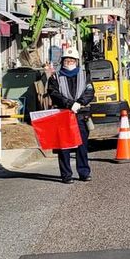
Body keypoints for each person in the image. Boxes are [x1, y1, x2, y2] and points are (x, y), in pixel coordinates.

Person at [47, 48, 94, 184]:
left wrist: (79, 103)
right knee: (64, 147)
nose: (69, 62)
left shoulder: (85, 74)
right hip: (63, 114)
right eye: (67, 60)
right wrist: (69, 104)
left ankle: (84, 173)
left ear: (77, 61)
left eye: (72, 60)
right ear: (62, 61)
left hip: (81, 114)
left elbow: (90, 91)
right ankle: (66, 175)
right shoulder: (55, 77)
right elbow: (53, 93)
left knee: (82, 146)